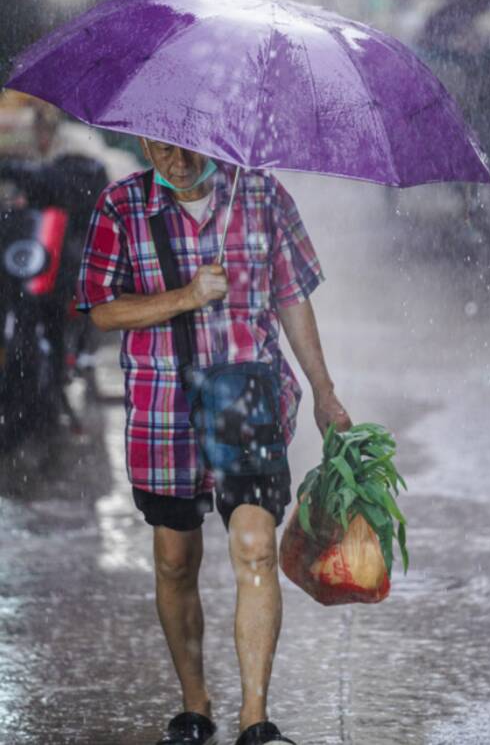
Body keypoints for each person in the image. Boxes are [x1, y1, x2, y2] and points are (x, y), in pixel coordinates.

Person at [75, 139, 351, 745]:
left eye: (183, 147)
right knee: (176, 561)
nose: (171, 160)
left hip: (247, 395)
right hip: (162, 403)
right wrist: (185, 297)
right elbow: (99, 308)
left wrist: (325, 392)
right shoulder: (122, 207)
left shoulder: (261, 194)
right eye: (156, 147)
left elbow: (291, 296)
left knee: (254, 547)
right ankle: (195, 706)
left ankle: (256, 719)